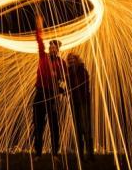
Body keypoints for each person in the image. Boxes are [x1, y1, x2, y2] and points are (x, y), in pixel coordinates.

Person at [32, 13, 65, 157]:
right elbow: (39, 40)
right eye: (51, 46)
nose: (52, 48)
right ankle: (38, 153)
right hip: (40, 93)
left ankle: (55, 153)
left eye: (54, 47)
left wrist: (62, 88)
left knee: (54, 125)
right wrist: (39, 26)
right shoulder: (42, 56)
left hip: (52, 96)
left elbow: (64, 79)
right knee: (38, 124)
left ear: (58, 50)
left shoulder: (61, 63)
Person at [66, 53, 94, 160]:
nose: (71, 61)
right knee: (77, 128)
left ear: (77, 60)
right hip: (74, 102)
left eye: (73, 59)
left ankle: (90, 154)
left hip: (83, 101)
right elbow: (69, 86)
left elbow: (85, 85)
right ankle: (81, 154)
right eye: (69, 60)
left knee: (85, 127)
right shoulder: (68, 73)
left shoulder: (82, 70)